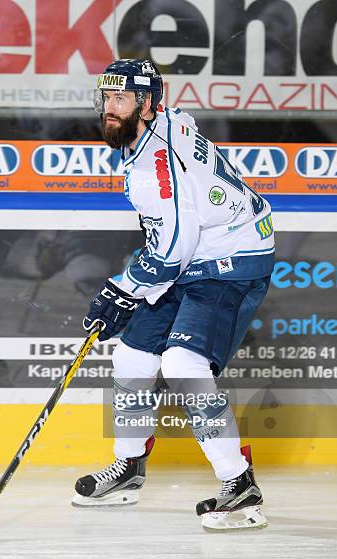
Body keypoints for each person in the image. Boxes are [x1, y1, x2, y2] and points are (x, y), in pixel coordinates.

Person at [72, 59, 275, 531]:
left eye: (120, 100)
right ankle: (128, 467)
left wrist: (119, 291)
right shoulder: (166, 119)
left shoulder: (152, 168)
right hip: (199, 252)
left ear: (147, 104)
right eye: (106, 98)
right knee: (132, 357)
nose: (109, 108)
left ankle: (239, 482)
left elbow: (169, 253)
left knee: (182, 365)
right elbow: (174, 243)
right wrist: (129, 291)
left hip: (230, 262)